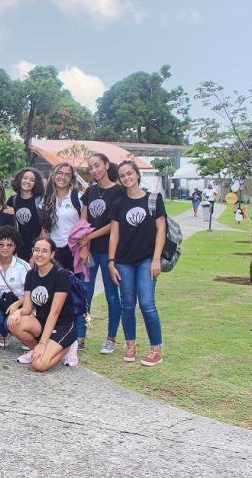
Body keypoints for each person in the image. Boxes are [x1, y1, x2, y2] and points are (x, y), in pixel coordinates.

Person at [108, 160, 166, 367]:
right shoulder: (118, 204)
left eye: (130, 173)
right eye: (122, 175)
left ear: (137, 174)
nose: (127, 178)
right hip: (123, 261)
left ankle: (155, 350)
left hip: (147, 260)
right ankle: (130, 345)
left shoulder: (154, 199)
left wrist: (157, 259)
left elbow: (161, 230)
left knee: (147, 304)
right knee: (127, 305)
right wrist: (111, 262)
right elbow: (114, 235)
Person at [78, 153, 125, 354]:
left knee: (112, 295)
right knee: (84, 293)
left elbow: (114, 225)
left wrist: (90, 236)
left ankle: (111, 338)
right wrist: (84, 244)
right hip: (90, 252)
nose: (94, 170)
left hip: (110, 252)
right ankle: (80, 337)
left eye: (97, 165)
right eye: (91, 167)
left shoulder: (119, 191)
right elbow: (84, 220)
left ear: (106, 164)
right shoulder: (90, 191)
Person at [8, 237, 79, 371]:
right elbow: (28, 308)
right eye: (37, 250)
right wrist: (18, 311)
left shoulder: (61, 275)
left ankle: (68, 347)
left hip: (63, 324)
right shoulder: (31, 274)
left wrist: (42, 343)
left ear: (52, 254)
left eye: (44, 251)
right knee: (13, 323)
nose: (39, 254)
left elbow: (55, 313)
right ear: (32, 252)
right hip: (42, 322)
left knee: (39, 365)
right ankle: (37, 351)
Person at [41, 162, 85, 354]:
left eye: (67, 175)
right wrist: (42, 252)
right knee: (53, 294)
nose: (63, 177)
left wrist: (84, 248)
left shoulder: (77, 197)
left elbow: (85, 225)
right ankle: (53, 332)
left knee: (74, 294)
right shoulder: (46, 199)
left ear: (71, 178)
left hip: (73, 250)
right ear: (54, 175)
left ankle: (76, 337)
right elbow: (45, 228)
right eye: (60, 173)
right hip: (54, 252)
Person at [0, 226, 31, 347]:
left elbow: (31, 295)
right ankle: (6, 333)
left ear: (15, 246)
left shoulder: (23, 266)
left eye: (9, 245)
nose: (5, 248)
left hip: (22, 305)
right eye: (1, 244)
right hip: (3, 304)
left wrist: (16, 305)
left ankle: (21, 333)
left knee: (10, 323)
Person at [7, 167, 45, 261]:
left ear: (36, 183)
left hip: (36, 249)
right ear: (20, 179)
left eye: (32, 180)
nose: (27, 181)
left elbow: (45, 228)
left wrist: (37, 252)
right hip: (17, 250)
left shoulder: (40, 200)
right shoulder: (12, 200)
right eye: (25, 178)